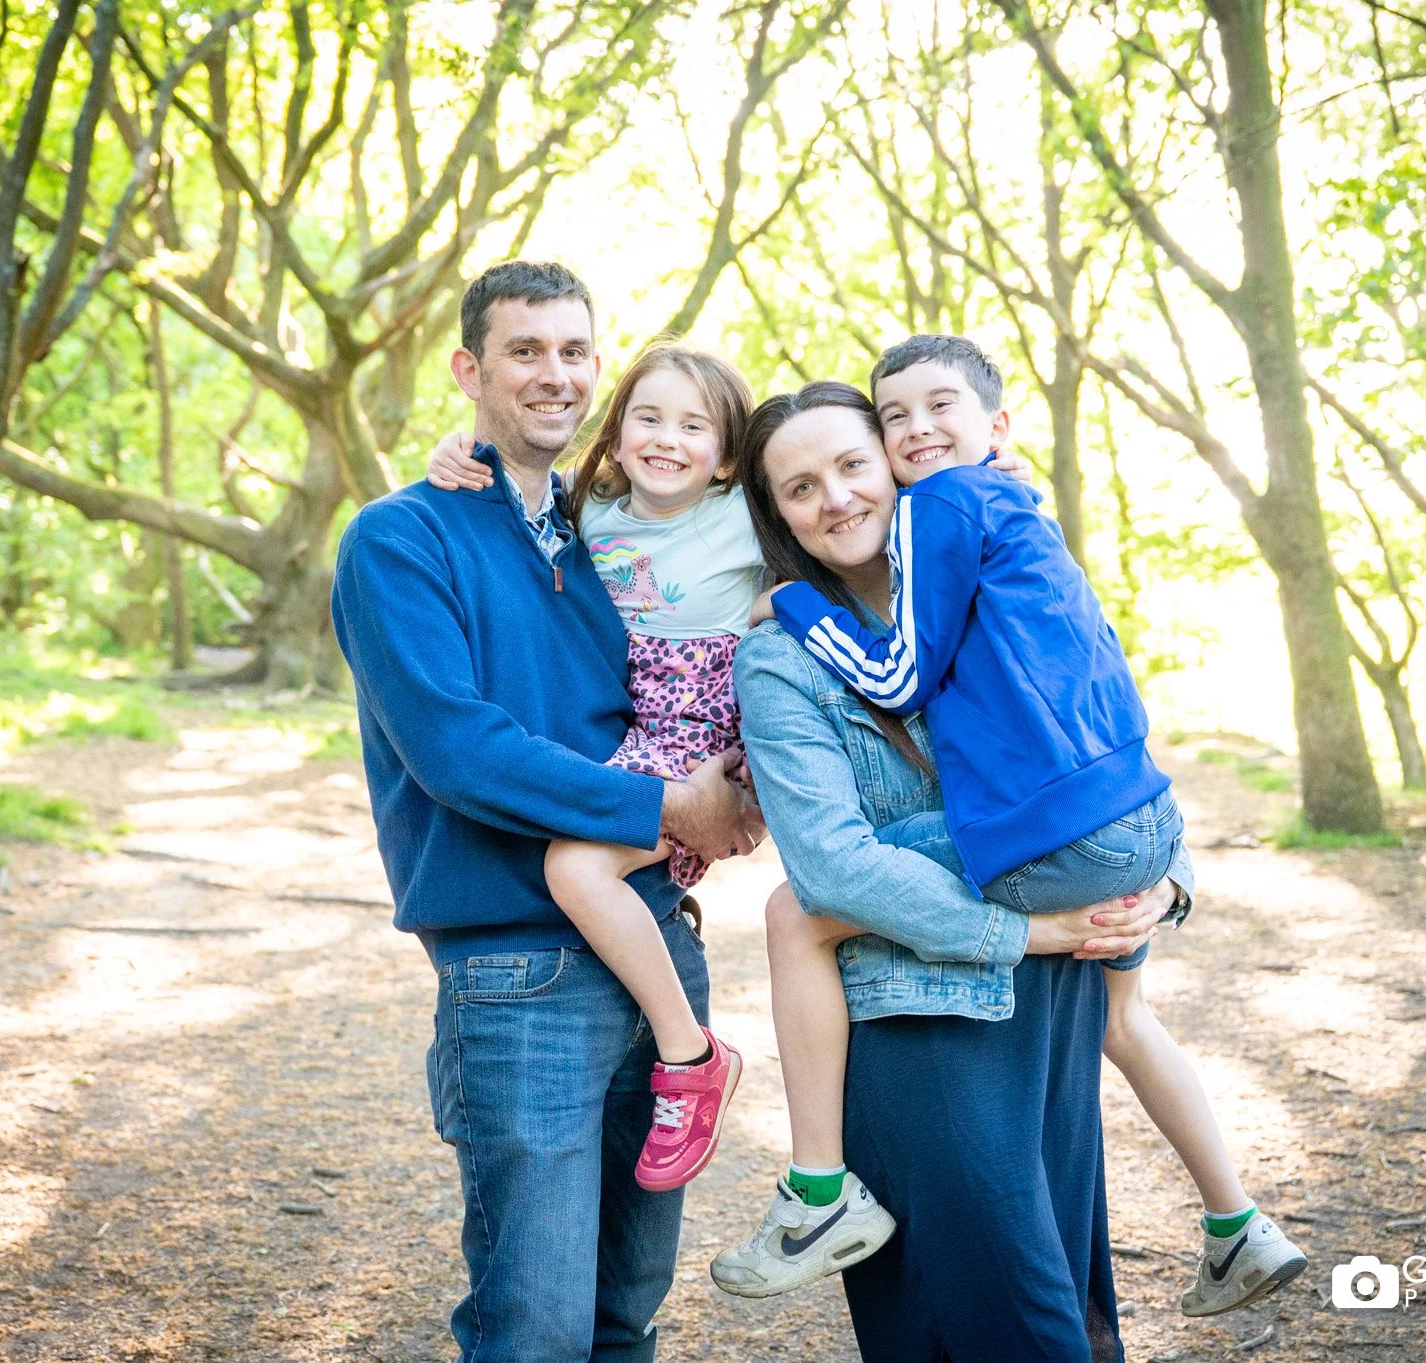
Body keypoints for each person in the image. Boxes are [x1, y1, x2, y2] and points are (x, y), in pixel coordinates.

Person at [728, 336, 1307, 1317]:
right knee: (997, 1290)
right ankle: (1231, 1221)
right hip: (952, 994)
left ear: (903, 465)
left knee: (1064, 1295)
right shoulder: (788, 656)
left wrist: (1167, 883)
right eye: (799, 488)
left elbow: (1095, 713)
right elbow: (837, 865)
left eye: (854, 463)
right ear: (775, 513)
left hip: (1058, 974)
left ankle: (816, 1191)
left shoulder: (988, 566)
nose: (835, 497)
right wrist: (1044, 926)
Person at [329, 261, 758, 1363]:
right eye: (523, 351)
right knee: (537, 1327)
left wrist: (973, 476)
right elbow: (457, 750)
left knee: (624, 1316)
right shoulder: (400, 538)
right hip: (518, 972)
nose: (553, 374)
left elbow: (802, 499)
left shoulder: (609, 526)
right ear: (469, 370)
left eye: (573, 351)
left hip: (656, 941)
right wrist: (667, 804)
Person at [421, 343, 763, 1192]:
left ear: (727, 455)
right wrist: (457, 453)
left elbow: (849, 503)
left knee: (574, 865)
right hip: (634, 725)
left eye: (694, 426)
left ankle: (691, 1055)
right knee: (581, 855)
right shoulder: (591, 507)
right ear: (616, 429)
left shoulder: (743, 513)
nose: (667, 439)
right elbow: (517, 491)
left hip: (697, 732)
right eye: (648, 417)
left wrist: (985, 466)